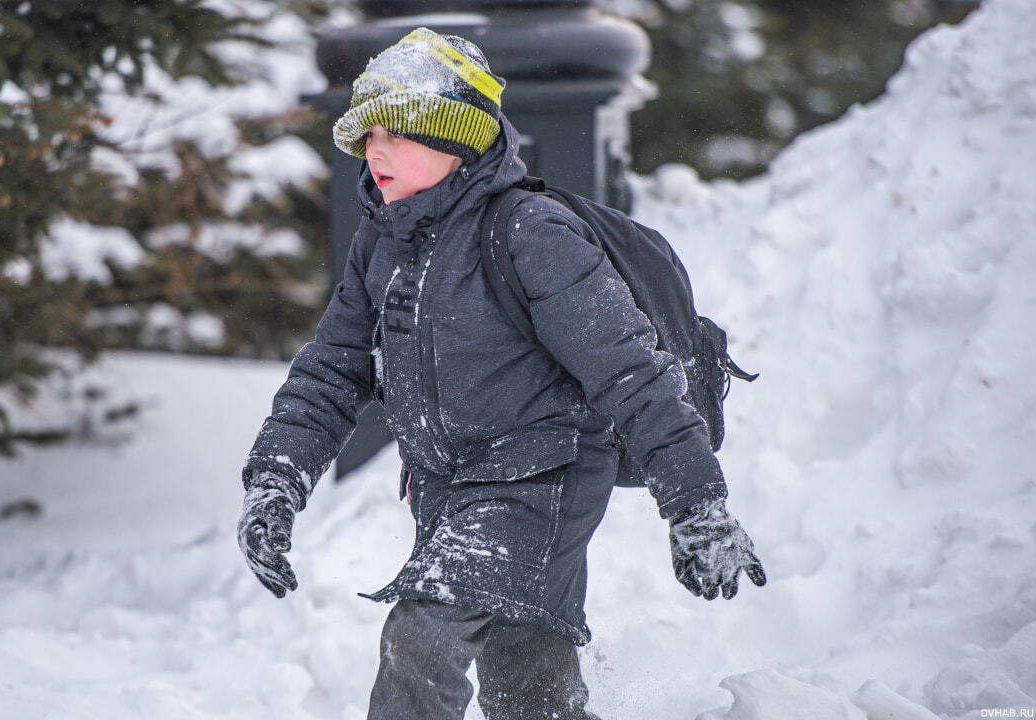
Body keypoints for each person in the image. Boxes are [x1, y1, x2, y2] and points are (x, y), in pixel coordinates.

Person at [237, 27, 766, 720]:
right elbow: (332, 371)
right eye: (368, 134)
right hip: (449, 490)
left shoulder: (531, 232)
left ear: (455, 139)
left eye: (400, 131)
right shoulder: (383, 243)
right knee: (531, 697)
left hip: (542, 480)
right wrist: (276, 481)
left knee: (420, 638)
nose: (376, 150)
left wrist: (696, 502)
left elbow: (631, 371)